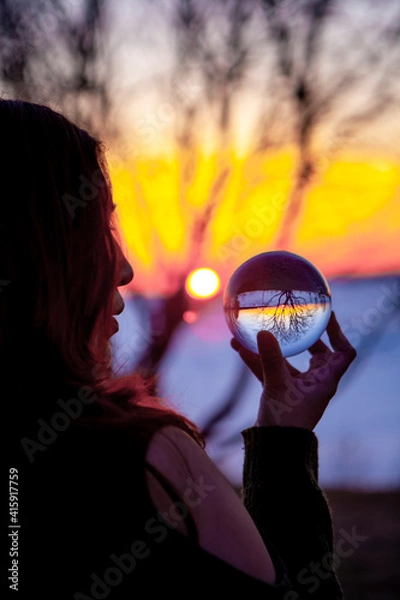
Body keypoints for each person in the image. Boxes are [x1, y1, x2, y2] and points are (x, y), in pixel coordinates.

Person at [1, 98, 357, 599]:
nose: (123, 268)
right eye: (99, 228)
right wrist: (281, 449)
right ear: (44, 256)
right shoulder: (146, 456)